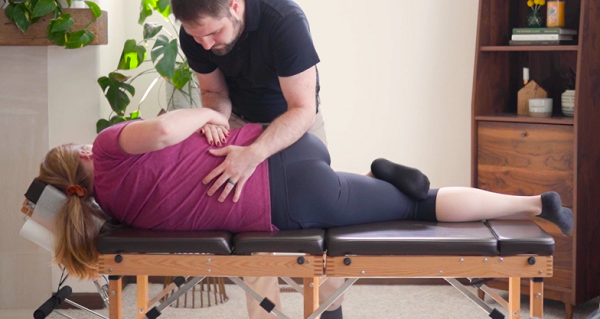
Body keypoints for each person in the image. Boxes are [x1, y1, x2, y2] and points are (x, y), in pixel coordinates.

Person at [39, 108, 573, 284]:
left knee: (419, 203)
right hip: (284, 160)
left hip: (291, 204)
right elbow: (158, 133)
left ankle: (531, 204)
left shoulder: (116, 213)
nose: (88, 143)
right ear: (82, 162)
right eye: (78, 147)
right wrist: (210, 117)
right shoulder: (110, 147)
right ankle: (386, 176)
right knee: (413, 199)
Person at [170, 0, 337, 317]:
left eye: (214, 33)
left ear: (234, 6)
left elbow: (302, 108)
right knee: (252, 233)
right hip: (241, 123)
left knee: (322, 223)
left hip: (296, 123)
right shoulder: (197, 35)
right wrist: (214, 118)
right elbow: (214, 90)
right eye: (196, 36)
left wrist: (255, 153)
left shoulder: (284, 22)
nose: (206, 44)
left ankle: (328, 311)